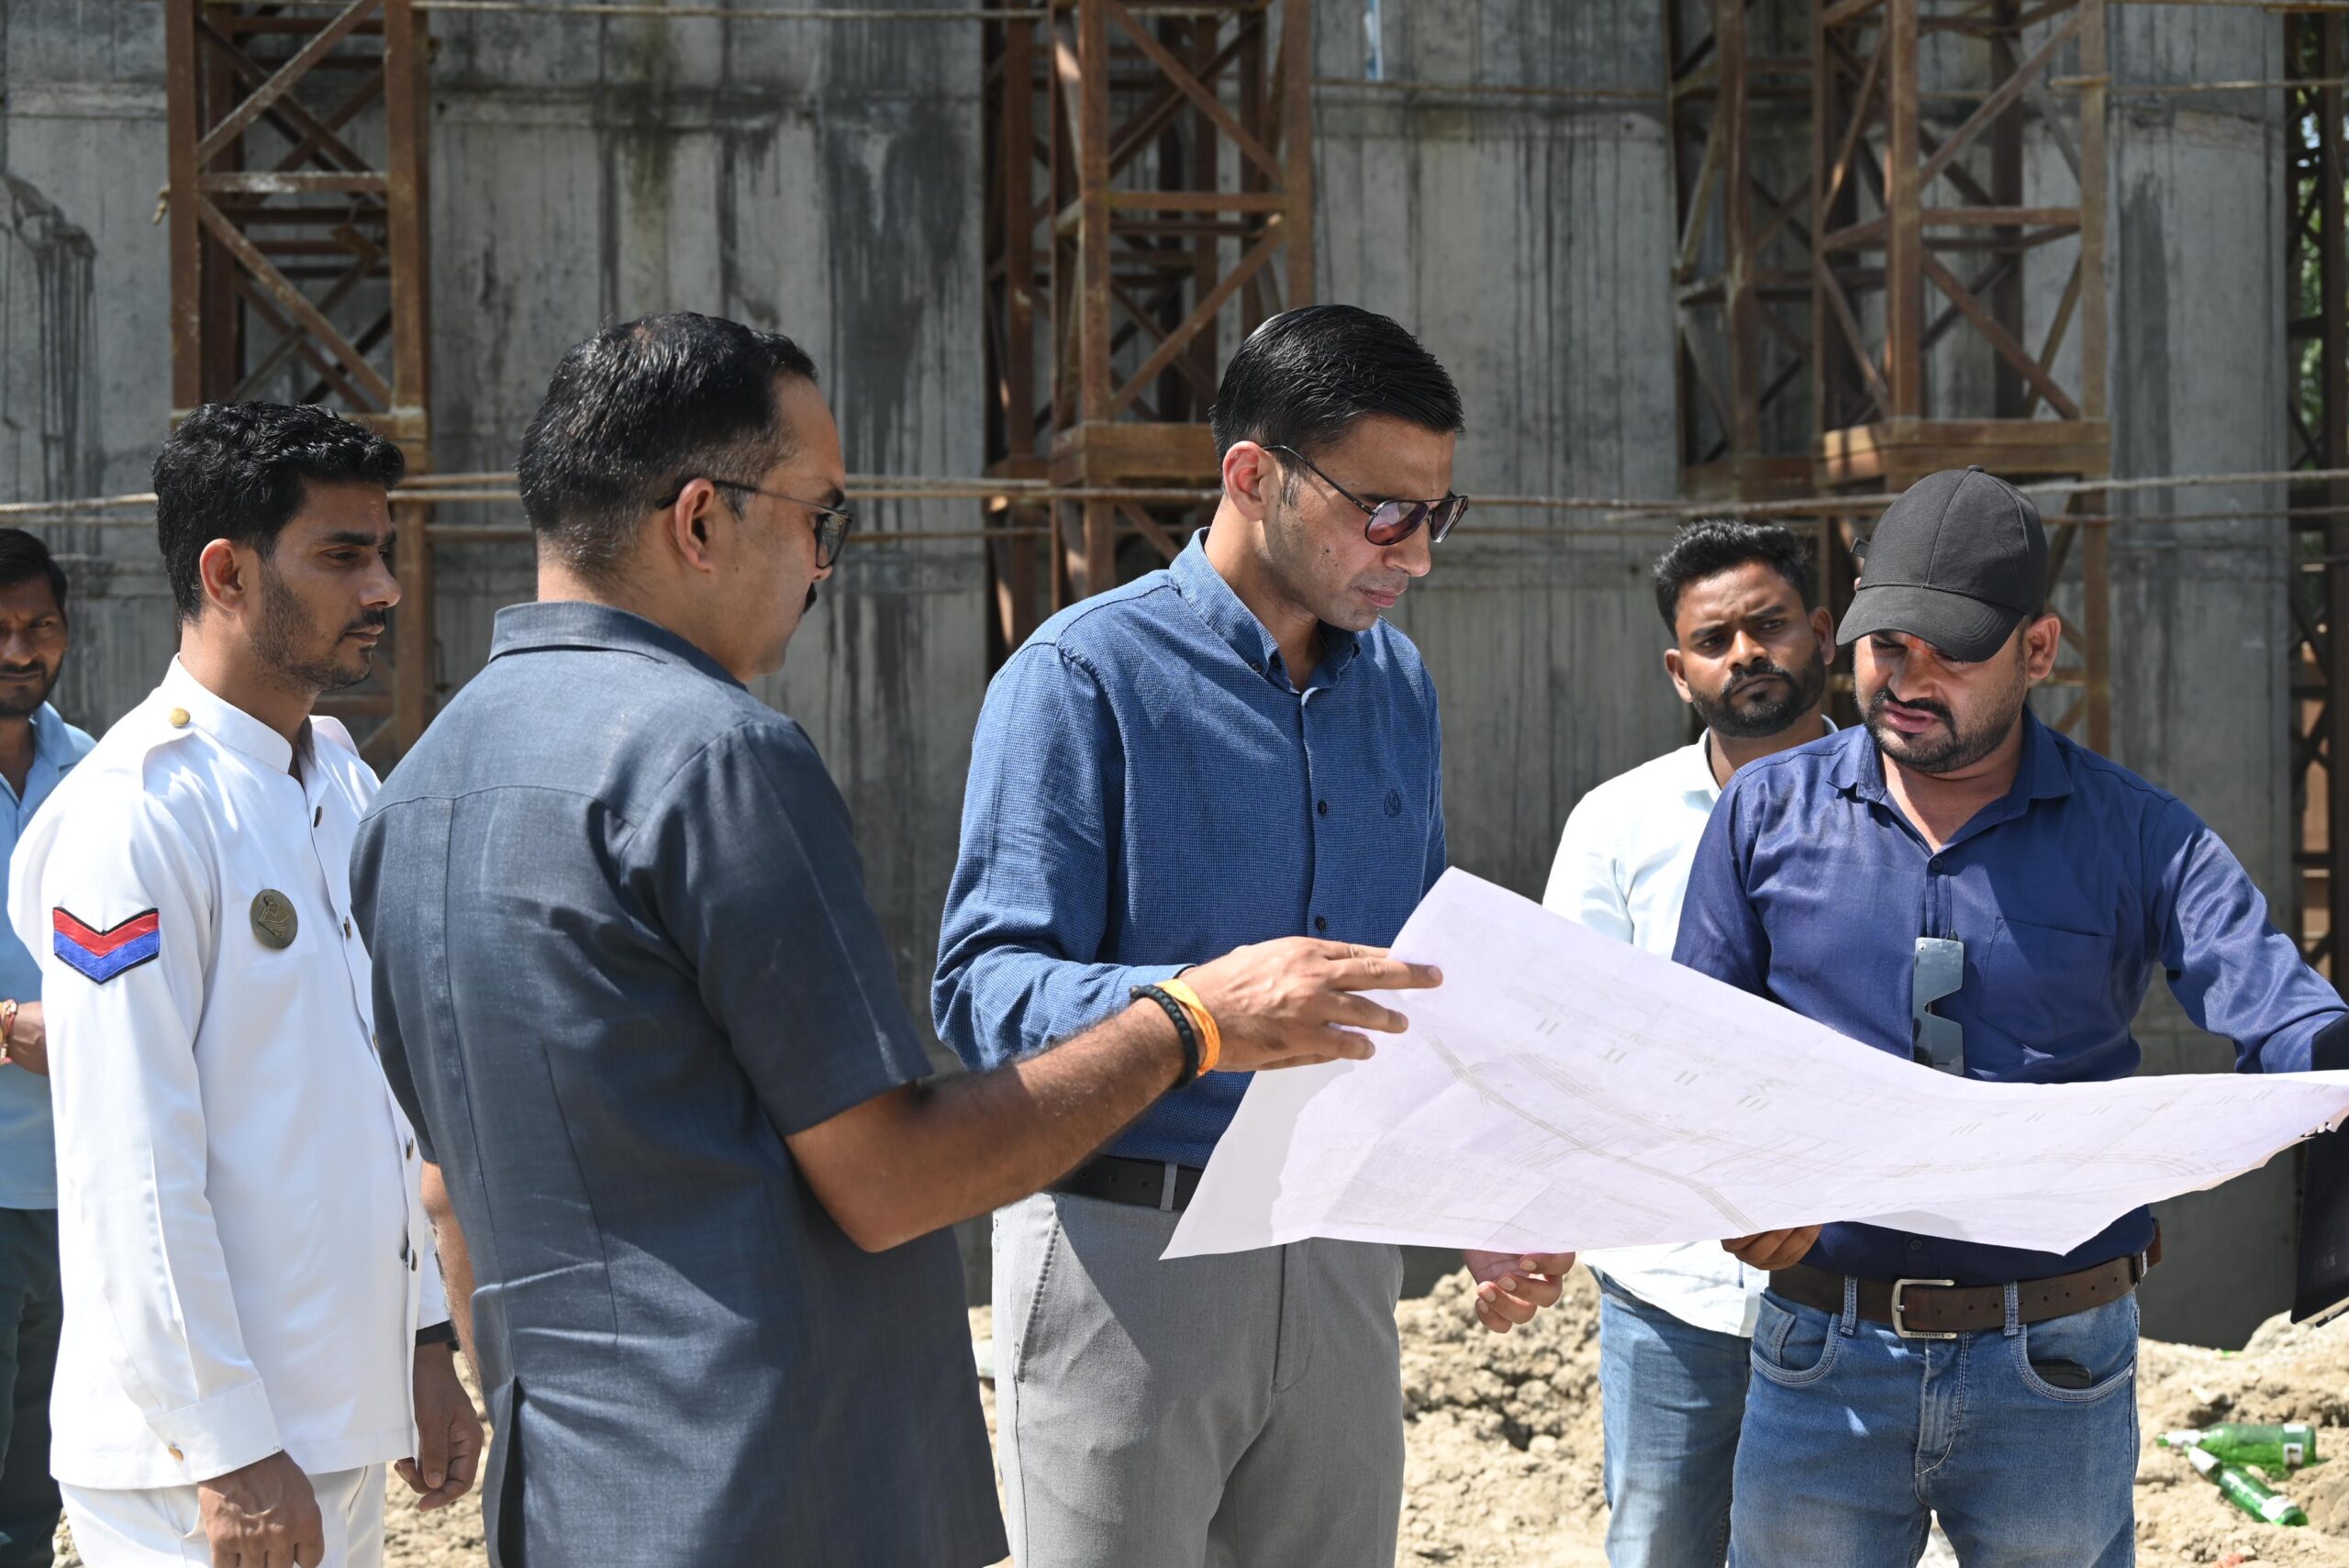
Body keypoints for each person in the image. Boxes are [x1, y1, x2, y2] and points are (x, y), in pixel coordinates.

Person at [347, 311, 1439, 1568]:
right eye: (823, 518)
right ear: (700, 521)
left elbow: (450, 1192)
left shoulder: (412, 793)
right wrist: (1190, 1020)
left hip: (588, 1493)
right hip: (778, 1479)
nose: (824, 566)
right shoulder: (714, 759)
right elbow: (887, 1177)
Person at [931, 304, 1569, 1568]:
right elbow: (982, 990)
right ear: (1251, 476)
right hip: (1130, 1253)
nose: (1415, 555)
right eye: (1383, 511)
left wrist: (1476, 1189)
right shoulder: (1082, 677)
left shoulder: (1397, 686)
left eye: (1437, 514)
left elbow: (1412, 981)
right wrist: (1202, 1008)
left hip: (1342, 1252)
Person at [1674, 466, 2349, 1567]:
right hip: (1820, 1354)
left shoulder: (2141, 836)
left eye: (1950, 652)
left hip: (2054, 1365)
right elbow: (1689, 1049)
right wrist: (1730, 1181)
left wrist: (2329, 1068)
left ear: (2037, 649)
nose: (1907, 678)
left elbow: (2285, 1014)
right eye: (1886, 645)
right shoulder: (1764, 814)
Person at [6, 403, 480, 1568]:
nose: (383, 589)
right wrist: (224, 1446)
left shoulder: (339, 779)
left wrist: (424, 1342)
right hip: (199, 1465)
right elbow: (132, 1163)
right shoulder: (136, 813)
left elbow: (375, 1102)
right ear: (226, 573)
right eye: (342, 554)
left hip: (332, 1414)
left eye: (381, 552)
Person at [1542, 519, 1834, 1568]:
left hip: (1854, 1284)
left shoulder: (1903, 808)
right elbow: (1565, 1038)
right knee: (1659, 1541)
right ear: (1679, 670)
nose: (1745, 654)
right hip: (1671, 1286)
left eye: (1769, 625)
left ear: (1823, 633)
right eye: (1714, 639)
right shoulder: (1618, 822)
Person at [0, 531, 94, 1568]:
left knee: (42, 1479)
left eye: (41, 626)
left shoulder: (99, 774)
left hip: (82, 1194)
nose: (20, 650)